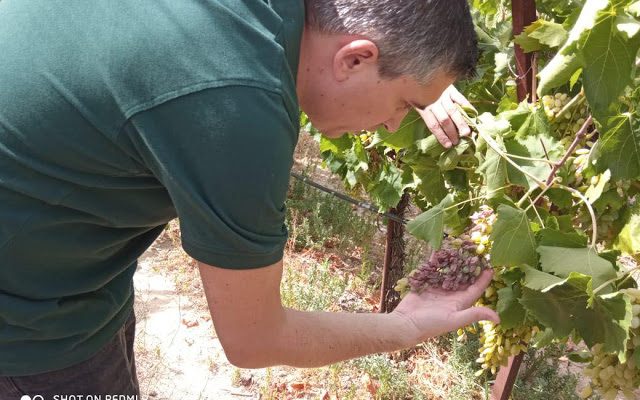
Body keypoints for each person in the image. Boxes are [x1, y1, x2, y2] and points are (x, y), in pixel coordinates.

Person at [0, 0, 499, 397]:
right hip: (27, 325)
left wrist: (412, 77)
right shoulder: (236, 107)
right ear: (354, 58)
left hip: (61, 261)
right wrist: (407, 325)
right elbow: (255, 337)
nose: (393, 126)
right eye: (405, 105)